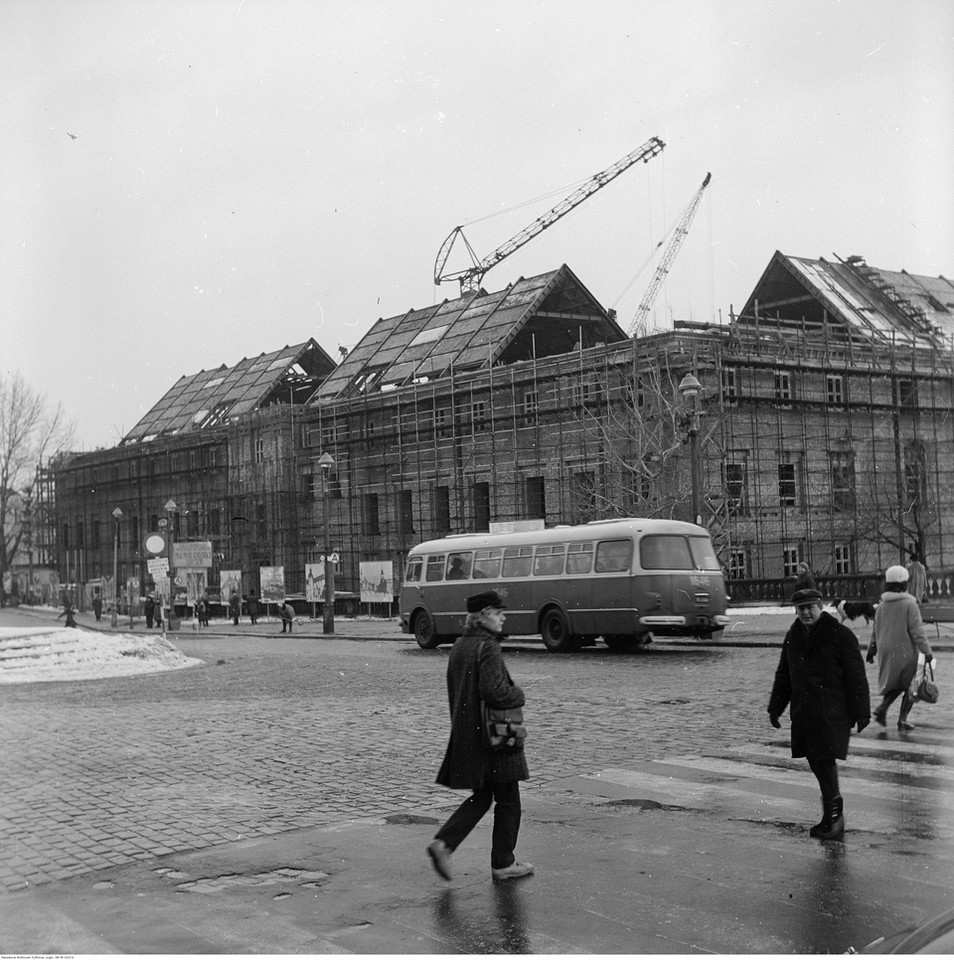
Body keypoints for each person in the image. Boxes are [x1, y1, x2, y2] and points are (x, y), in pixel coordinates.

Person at [426, 590, 533, 883]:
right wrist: (519, 693)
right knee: (509, 798)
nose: (503, 617)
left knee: (483, 796)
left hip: (470, 735)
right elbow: (494, 692)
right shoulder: (488, 647)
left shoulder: (461, 645)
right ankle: (503, 863)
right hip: (495, 738)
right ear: (484, 614)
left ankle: (444, 843)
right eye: (499, 613)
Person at [768, 588, 870, 841]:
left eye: (810, 607)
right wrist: (775, 707)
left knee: (823, 761)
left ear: (820, 606)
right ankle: (831, 817)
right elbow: (784, 674)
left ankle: (834, 819)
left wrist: (861, 712)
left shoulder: (840, 634)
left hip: (831, 711)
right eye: (800, 608)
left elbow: (856, 676)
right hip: (805, 712)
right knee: (817, 762)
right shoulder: (793, 635)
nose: (805, 612)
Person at [867, 565, 933, 731]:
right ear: (905, 584)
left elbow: (875, 630)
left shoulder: (881, 606)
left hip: (886, 650)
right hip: (905, 650)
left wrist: (871, 649)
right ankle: (901, 719)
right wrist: (927, 651)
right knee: (912, 684)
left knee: (897, 683)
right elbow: (917, 631)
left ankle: (882, 709)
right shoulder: (909, 604)